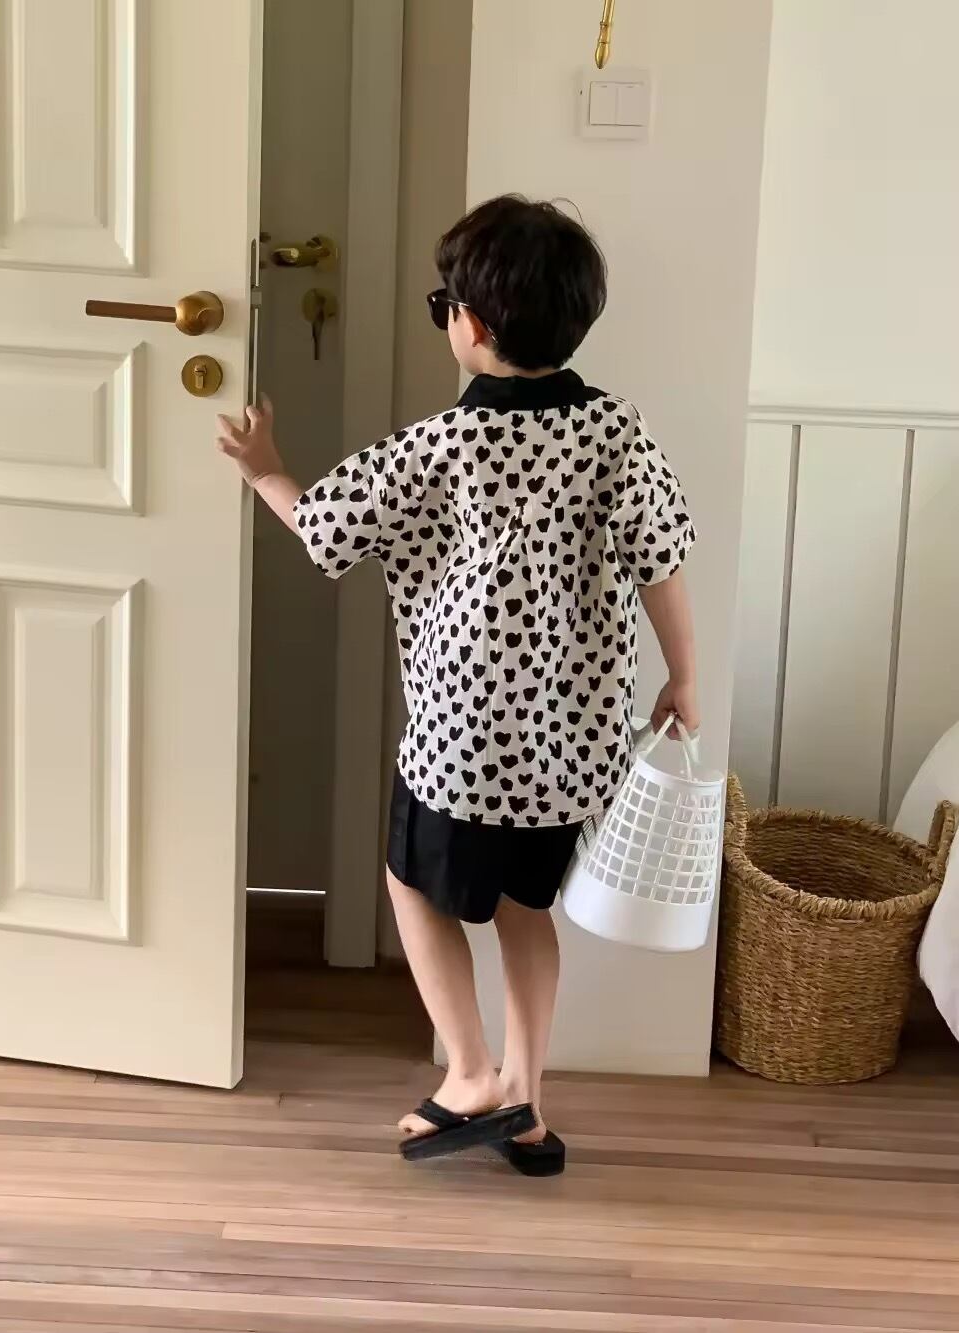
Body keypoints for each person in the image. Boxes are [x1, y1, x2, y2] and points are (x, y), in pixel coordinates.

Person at [216, 194, 699, 1176]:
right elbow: (662, 559)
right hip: (570, 748)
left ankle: (470, 1071)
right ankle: (525, 1099)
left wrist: (265, 469)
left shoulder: (441, 444)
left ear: (469, 326)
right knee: (526, 911)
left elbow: (324, 528)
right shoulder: (618, 432)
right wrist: (683, 675)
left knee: (410, 881)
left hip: (462, 740)